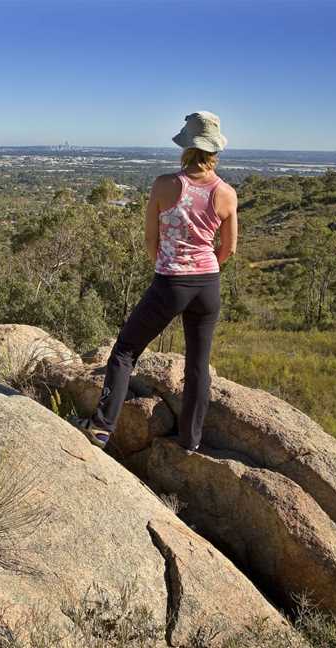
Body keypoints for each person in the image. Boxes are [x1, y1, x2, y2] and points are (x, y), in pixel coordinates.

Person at [71, 111, 238, 450]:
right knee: (197, 365)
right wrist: (204, 268)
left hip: (170, 281)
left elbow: (151, 239)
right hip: (208, 284)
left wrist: (167, 265)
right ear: (214, 149)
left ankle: (102, 426)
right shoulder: (227, 193)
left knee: (125, 351)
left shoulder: (165, 185)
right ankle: (190, 441)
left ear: (186, 147)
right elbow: (229, 248)